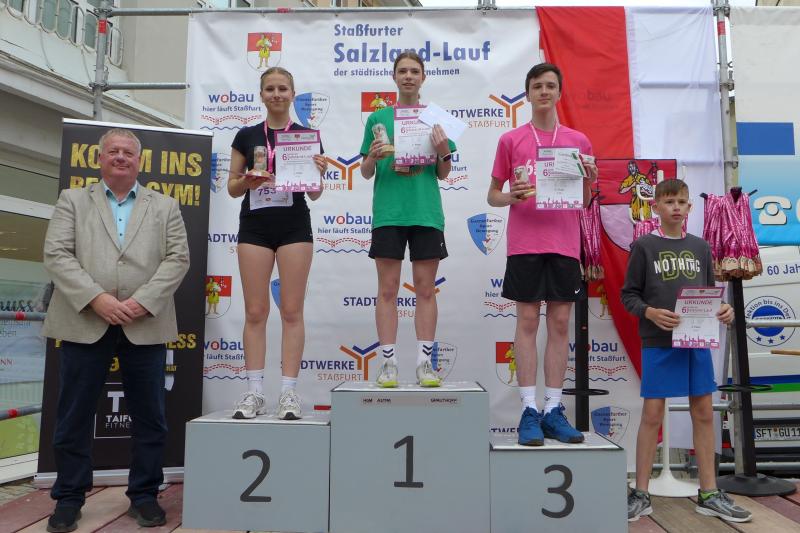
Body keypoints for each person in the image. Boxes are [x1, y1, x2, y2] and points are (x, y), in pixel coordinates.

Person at [42, 128, 190, 531]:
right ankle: (69, 498)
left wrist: (143, 301)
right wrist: (97, 298)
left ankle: (144, 496)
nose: (120, 156)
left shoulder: (165, 205)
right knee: (74, 416)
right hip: (85, 320)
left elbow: (178, 259)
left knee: (150, 417)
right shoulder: (73, 200)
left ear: (139, 161)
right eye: (113, 151)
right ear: (100, 158)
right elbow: (56, 253)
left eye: (128, 152)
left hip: (145, 323)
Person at [622, 179, 752, 523]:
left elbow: (709, 294)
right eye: (669, 202)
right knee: (652, 414)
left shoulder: (701, 247)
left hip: (697, 341)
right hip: (659, 341)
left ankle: (708, 492)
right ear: (655, 207)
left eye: (681, 201)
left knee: (704, 412)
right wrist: (650, 312)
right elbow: (628, 295)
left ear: (690, 207)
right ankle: (641, 493)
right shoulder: (643, 246)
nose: (676, 207)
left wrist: (724, 310)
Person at [488, 63, 597, 445]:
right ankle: (528, 409)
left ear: (560, 92)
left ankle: (553, 408)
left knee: (561, 323)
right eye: (537, 86)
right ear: (528, 93)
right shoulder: (511, 140)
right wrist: (511, 196)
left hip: (564, 244)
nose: (544, 91)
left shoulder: (578, 141)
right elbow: (493, 195)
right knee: (528, 321)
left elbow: (585, 201)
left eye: (551, 85)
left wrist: (589, 180)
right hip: (525, 244)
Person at [227, 67, 327, 420]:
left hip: (294, 226)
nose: (277, 94)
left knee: (291, 311)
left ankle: (288, 393)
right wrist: (248, 181)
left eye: (283, 88)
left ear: (292, 94)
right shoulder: (246, 135)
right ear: (261, 95)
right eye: (270, 89)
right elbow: (232, 188)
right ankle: (255, 392)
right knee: (255, 311)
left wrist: (318, 172)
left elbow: (315, 193)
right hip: (255, 226)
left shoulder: (306, 136)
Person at [360, 51, 456, 388]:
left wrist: (443, 150)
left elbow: (444, 172)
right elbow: (366, 172)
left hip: (425, 212)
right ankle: (388, 364)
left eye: (415, 71)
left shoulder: (435, 118)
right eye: (403, 71)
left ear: (423, 77)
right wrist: (372, 157)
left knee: (425, 290)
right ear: (394, 76)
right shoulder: (378, 118)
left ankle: (424, 364)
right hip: (389, 212)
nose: (409, 76)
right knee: (387, 290)